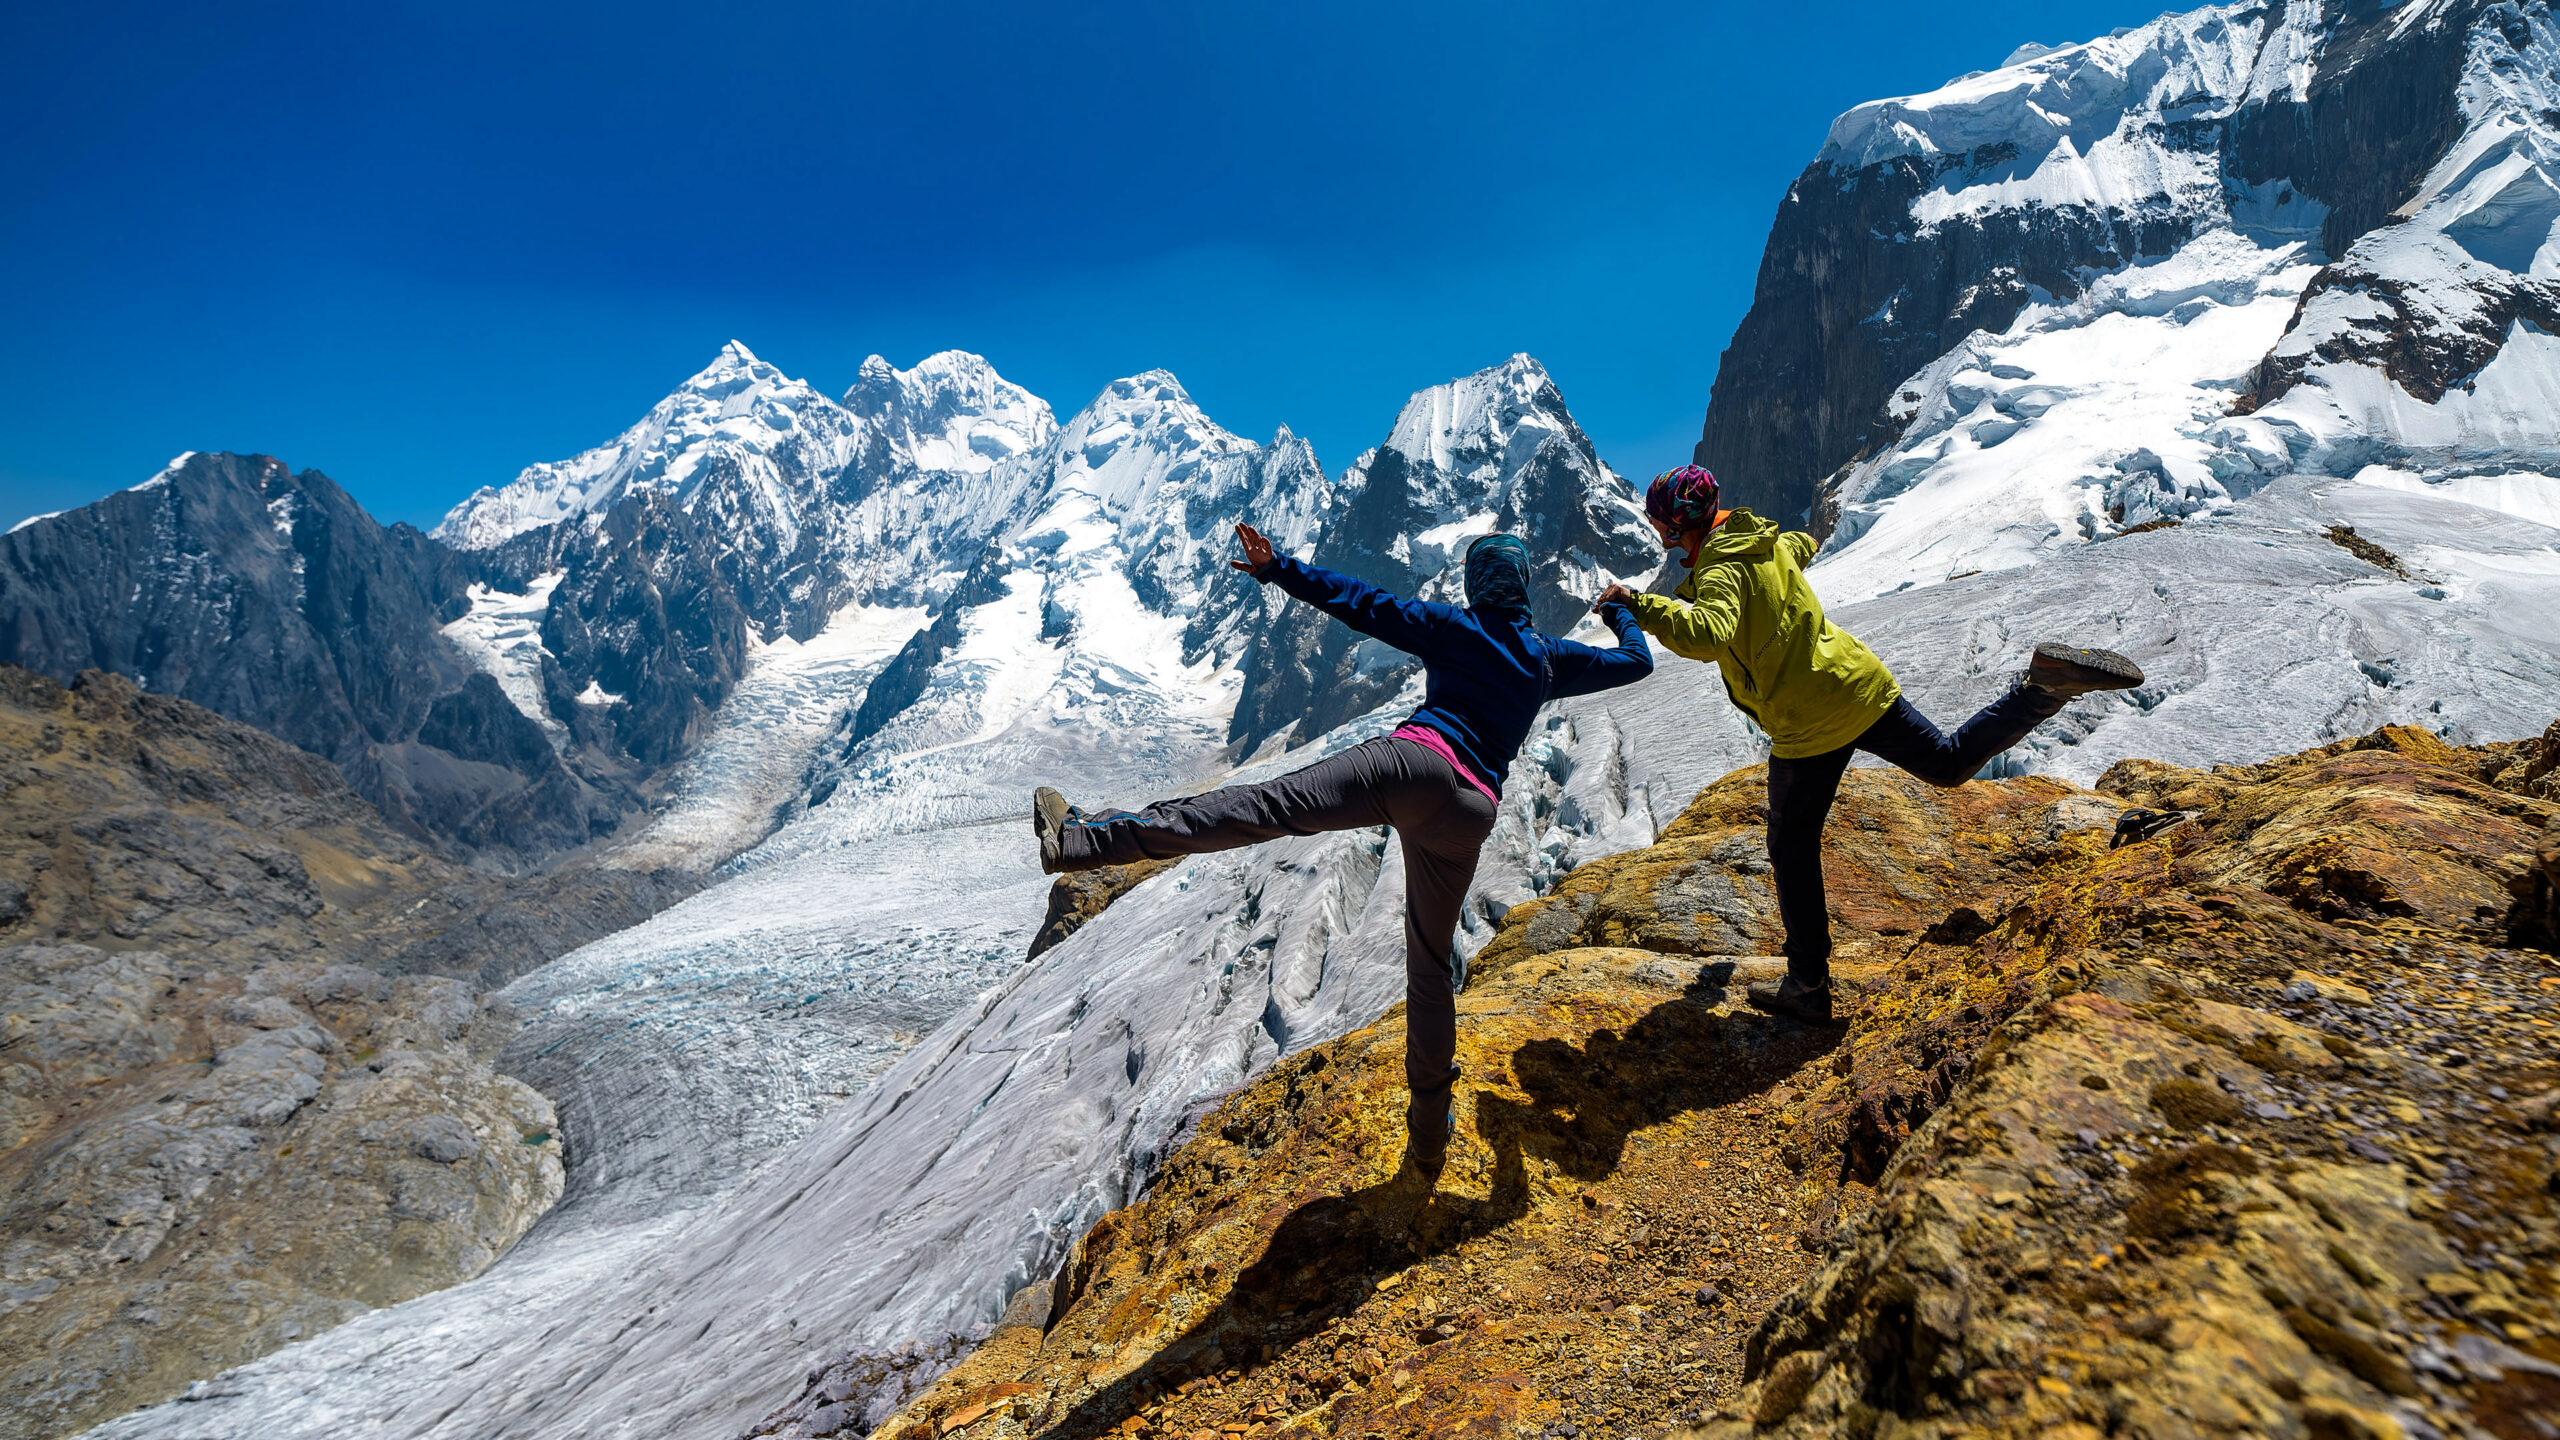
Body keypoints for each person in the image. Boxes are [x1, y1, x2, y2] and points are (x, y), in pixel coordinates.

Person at [1034, 522, 1655, 1172]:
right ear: (1523, 586)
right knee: (1430, 967)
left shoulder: (1455, 628)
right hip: (1471, 813)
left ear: (1477, 585)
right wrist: (1618, 613)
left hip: (1412, 765)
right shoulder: (1550, 658)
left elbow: (1361, 603)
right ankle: (1428, 1132)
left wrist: (1279, 571)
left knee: (1260, 808)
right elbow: (1636, 662)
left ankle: (1081, 840)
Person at [1592, 466, 2143, 1026]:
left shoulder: (1719, 568)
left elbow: (1705, 632)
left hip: (1808, 720)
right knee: (1948, 762)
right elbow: (1801, 543)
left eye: (1657, 517)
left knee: (1792, 846)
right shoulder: (1763, 539)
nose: (1653, 525)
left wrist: (1639, 605)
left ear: (1673, 522)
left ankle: (1807, 985)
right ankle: (2042, 689)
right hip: (1857, 684)